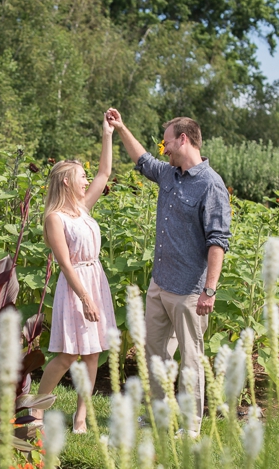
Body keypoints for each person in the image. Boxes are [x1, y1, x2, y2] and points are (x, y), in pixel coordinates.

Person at [105, 108, 231, 435]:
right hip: (159, 285)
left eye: (166, 144)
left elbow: (218, 242)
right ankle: (158, 415)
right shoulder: (169, 174)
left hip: (190, 291)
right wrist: (121, 127)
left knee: (191, 362)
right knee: (152, 355)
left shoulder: (210, 185)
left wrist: (210, 290)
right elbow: (143, 159)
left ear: (183, 139)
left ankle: (190, 426)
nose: (164, 150)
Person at [31, 115, 117, 434]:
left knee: (93, 354)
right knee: (68, 355)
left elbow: (106, 172)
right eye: (82, 176)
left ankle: (81, 419)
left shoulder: (83, 207)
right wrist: (86, 299)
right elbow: (65, 265)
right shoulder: (55, 218)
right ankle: (37, 412)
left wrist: (107, 134)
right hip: (75, 286)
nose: (87, 180)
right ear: (66, 180)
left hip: (96, 278)